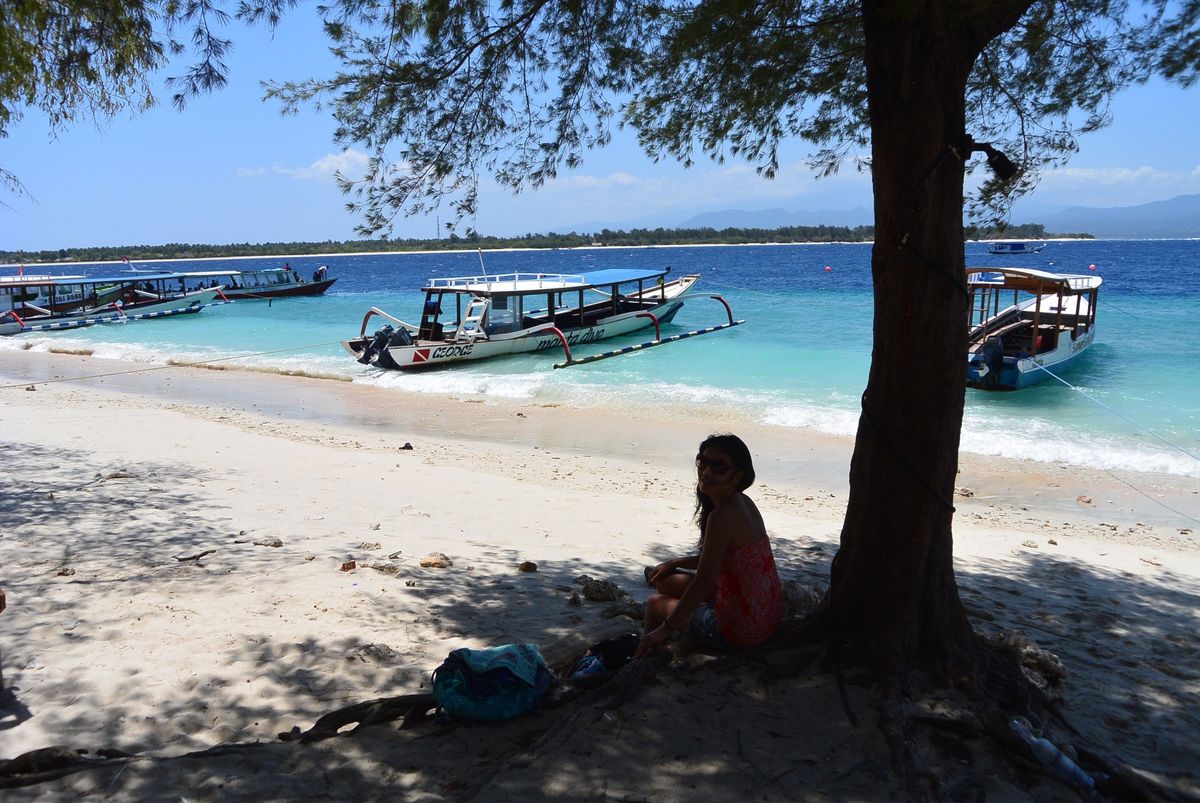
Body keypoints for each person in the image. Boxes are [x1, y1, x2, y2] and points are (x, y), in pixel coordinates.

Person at [635, 434, 783, 657]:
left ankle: (642, 656)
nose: (706, 472)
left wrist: (665, 628)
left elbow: (703, 582)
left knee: (655, 603)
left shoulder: (721, 517)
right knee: (663, 580)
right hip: (766, 618)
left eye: (718, 467)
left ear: (737, 475)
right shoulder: (744, 502)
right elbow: (722, 559)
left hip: (738, 632)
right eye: (702, 461)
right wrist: (674, 563)